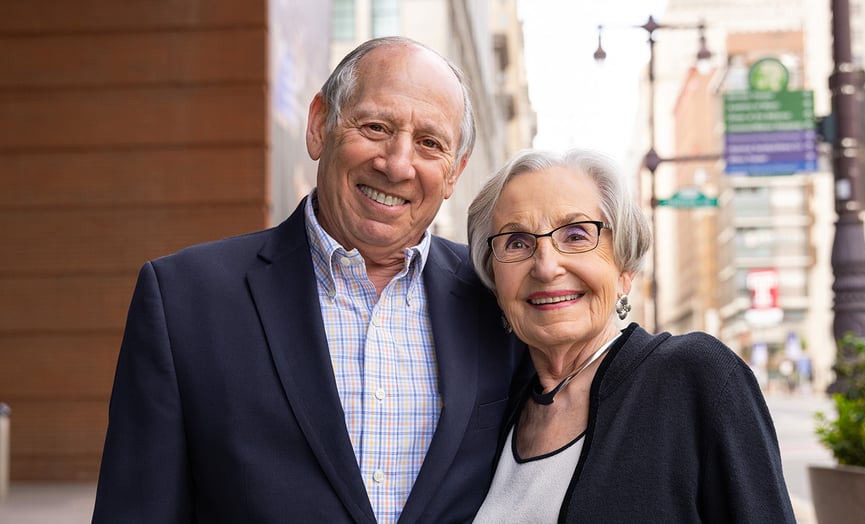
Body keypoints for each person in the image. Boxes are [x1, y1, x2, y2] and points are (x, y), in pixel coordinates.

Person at [92, 36, 526, 524]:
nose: (398, 163)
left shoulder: (499, 296)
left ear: (454, 172)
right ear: (320, 126)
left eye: (430, 143)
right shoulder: (182, 300)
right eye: (377, 126)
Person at [467, 148, 796, 523]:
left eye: (576, 235)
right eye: (517, 242)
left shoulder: (695, 378)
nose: (545, 266)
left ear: (624, 269)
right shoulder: (498, 410)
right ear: (494, 282)